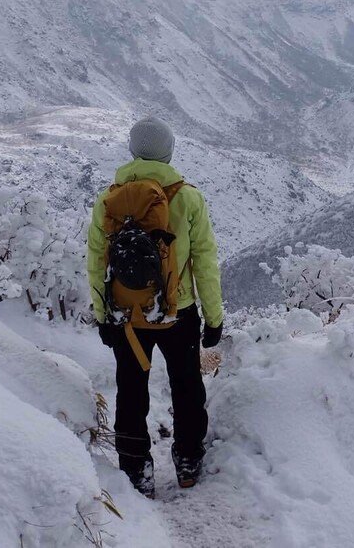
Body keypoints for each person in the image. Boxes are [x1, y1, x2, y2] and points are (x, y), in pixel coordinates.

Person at [87, 117, 224, 496]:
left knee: (131, 391)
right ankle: (188, 458)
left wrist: (102, 315)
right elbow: (204, 262)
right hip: (177, 312)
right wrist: (213, 317)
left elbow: (97, 259)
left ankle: (135, 471)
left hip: (126, 317)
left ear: (132, 152)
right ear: (169, 152)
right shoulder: (188, 197)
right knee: (186, 385)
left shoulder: (109, 199)